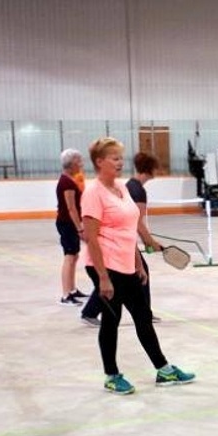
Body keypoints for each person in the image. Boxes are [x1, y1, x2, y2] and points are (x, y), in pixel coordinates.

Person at [82, 137, 194, 395]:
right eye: (114, 158)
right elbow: (92, 238)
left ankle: (163, 370)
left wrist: (138, 261)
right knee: (112, 320)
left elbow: (128, 227)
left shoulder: (121, 188)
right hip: (105, 266)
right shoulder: (93, 193)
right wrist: (103, 278)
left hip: (126, 262)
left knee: (143, 316)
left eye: (121, 158)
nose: (120, 163)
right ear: (100, 162)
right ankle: (111, 375)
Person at [128, 151, 165, 323]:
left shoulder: (129, 185)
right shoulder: (139, 191)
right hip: (125, 241)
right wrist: (150, 242)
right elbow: (136, 221)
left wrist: (146, 241)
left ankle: (89, 311)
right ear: (150, 169)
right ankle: (145, 315)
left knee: (122, 277)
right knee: (141, 272)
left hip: (123, 239)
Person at [55, 149, 89, 308]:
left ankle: (72, 289)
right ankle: (65, 294)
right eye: (79, 161)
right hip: (67, 223)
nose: (81, 164)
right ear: (71, 163)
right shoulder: (66, 183)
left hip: (69, 223)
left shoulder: (70, 180)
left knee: (74, 256)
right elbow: (71, 208)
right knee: (70, 257)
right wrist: (80, 228)